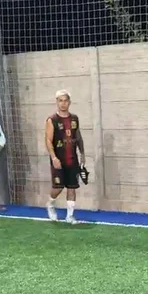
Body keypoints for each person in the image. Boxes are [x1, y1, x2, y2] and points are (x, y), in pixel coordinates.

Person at [44, 89, 85, 224]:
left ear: (69, 102)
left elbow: (78, 137)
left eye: (65, 101)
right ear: (57, 102)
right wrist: (54, 158)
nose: (63, 103)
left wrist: (82, 154)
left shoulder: (74, 118)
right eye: (60, 101)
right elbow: (48, 140)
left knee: (72, 187)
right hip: (58, 159)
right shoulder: (52, 120)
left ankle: (70, 216)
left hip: (72, 158)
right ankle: (50, 204)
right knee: (58, 187)